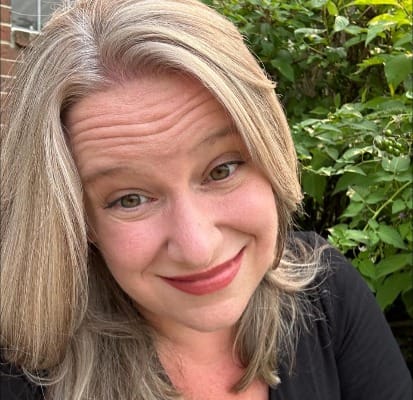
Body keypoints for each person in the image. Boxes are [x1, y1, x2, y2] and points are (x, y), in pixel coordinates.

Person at [1, 0, 411, 399]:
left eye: (222, 170)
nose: (198, 249)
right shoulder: (21, 374)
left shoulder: (327, 293)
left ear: (271, 155)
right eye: (130, 199)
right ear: (78, 220)